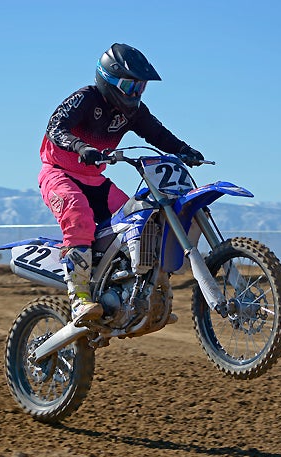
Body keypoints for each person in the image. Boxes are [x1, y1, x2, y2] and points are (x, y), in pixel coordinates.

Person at [38, 43, 204, 328]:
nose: (135, 94)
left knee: (143, 218)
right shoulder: (86, 98)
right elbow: (55, 128)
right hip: (59, 174)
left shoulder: (134, 113)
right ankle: (79, 296)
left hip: (96, 180)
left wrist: (183, 150)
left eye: (140, 87)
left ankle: (144, 295)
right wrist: (81, 147)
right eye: (130, 86)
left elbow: (157, 133)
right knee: (78, 214)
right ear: (108, 77)